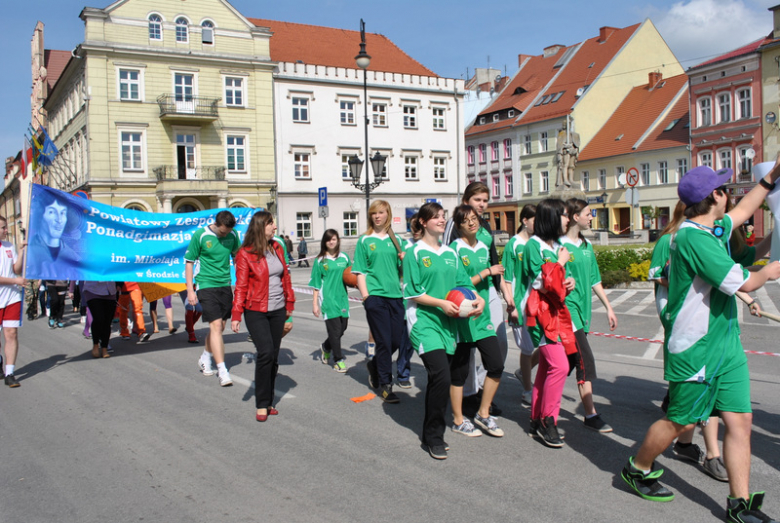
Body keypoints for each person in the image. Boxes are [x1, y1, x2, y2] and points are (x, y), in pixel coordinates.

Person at [622, 165, 780, 523]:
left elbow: (743, 212)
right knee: (679, 422)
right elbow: (747, 283)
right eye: (725, 189)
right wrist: (770, 270)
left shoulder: (713, 228)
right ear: (714, 197)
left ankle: (739, 504)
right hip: (695, 348)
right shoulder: (693, 238)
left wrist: (771, 179)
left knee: (740, 420)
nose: (731, 196)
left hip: (725, 345)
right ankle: (637, 467)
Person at [404, 202, 483, 459]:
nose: (441, 220)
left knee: (440, 379)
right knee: (441, 376)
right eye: (436, 217)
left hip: (449, 325)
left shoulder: (450, 253)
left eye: (442, 216)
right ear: (423, 222)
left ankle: (435, 428)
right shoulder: (414, 252)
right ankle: (433, 437)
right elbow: (413, 291)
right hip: (424, 322)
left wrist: (477, 301)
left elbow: (463, 284)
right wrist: (440, 303)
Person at [443, 182, 513, 414]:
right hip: (466, 293)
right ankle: (469, 395)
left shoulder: (484, 227)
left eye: (485, 200)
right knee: (468, 348)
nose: (482, 204)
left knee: (499, 342)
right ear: (466, 201)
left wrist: (506, 294)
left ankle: (483, 388)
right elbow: (447, 258)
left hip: (489, 293)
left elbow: (495, 265)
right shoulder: (456, 225)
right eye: (477, 200)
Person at [231, 211, 294, 422]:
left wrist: (289, 305)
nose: (275, 228)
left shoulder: (276, 247)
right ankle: (261, 403)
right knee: (265, 352)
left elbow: (285, 277)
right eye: (271, 224)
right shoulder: (245, 254)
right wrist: (236, 314)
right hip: (255, 309)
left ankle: (268, 401)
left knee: (273, 355)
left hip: (277, 309)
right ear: (260, 226)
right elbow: (240, 286)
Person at [561, 198, 617, 433]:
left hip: (584, 311)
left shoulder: (586, 246)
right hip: (568, 311)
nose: (591, 216)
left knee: (564, 362)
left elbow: (595, 279)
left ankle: (538, 394)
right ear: (575, 217)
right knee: (584, 360)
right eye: (588, 213)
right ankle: (591, 414)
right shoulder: (559, 247)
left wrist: (608, 306)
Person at [449, 204, 505, 437]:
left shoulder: (484, 246)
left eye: (474, 218)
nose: (472, 223)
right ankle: (458, 419)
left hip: (483, 316)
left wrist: (504, 294)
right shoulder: (454, 249)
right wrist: (486, 273)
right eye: (465, 220)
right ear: (458, 225)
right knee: (460, 372)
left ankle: (483, 414)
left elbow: (492, 280)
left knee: (496, 364)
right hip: (463, 315)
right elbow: (458, 284)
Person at [523, 198, 575, 448]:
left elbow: (557, 282)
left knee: (546, 368)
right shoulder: (534, 245)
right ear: (552, 217)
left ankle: (536, 418)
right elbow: (540, 284)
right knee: (560, 366)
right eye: (564, 215)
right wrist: (561, 264)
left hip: (554, 312)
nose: (568, 219)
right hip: (541, 314)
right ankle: (548, 420)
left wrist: (569, 281)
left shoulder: (555, 246)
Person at [353, 200, 409, 403]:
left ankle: (375, 364)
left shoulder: (397, 241)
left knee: (395, 340)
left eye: (381, 212)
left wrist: (405, 261)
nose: (377, 216)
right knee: (384, 341)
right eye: (374, 213)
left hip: (396, 296)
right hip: (375, 297)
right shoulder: (365, 240)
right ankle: (386, 384)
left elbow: (404, 273)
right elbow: (360, 271)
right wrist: (366, 297)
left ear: (388, 214)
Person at [185, 210, 240, 387]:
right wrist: (190, 290)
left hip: (225, 284)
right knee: (216, 326)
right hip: (205, 284)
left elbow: (237, 257)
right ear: (216, 224)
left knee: (220, 326)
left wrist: (241, 282)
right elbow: (189, 262)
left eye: (228, 232)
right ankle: (222, 370)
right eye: (222, 232)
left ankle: (205, 356)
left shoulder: (233, 234)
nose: (225, 235)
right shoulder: (201, 235)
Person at [504, 204, 537, 406]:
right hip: (521, 304)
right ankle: (527, 389)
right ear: (525, 221)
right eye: (536, 220)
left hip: (538, 304)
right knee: (527, 349)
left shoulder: (538, 244)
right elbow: (507, 278)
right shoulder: (513, 245)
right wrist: (512, 305)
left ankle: (522, 373)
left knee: (548, 343)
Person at [310, 229, 351, 373]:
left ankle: (326, 347)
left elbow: (350, 276)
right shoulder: (320, 260)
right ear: (324, 242)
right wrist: (315, 304)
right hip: (328, 299)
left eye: (334, 239)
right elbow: (316, 284)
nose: (331, 242)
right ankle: (338, 360)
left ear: (338, 240)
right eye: (328, 240)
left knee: (342, 328)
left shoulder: (344, 257)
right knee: (335, 331)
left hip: (342, 299)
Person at [27, 191, 81, 280]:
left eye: (63, 213)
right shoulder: (31, 251)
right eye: (52, 212)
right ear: (40, 215)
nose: (59, 220)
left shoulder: (73, 255)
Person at [0, 216, 26, 387]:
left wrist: (22, 250)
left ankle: (10, 373)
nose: (6, 230)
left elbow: (15, 269)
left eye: (5, 227)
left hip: (12, 297)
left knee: (11, 333)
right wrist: (15, 281)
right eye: (2, 227)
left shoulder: (9, 246)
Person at [83, 281, 117, 359]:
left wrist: (119, 284)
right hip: (93, 291)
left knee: (107, 321)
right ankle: (96, 345)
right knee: (99, 318)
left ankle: (104, 348)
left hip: (110, 291)